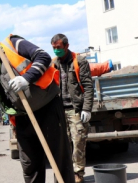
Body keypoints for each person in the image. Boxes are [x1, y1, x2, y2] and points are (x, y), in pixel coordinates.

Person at [0, 35, 75, 183]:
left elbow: (43, 56)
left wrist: (27, 78)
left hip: (47, 108)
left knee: (59, 158)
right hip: (22, 117)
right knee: (30, 164)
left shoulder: (11, 45)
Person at [51, 33, 94, 183]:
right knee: (63, 146)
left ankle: (78, 175)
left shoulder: (79, 61)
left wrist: (87, 109)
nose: (56, 51)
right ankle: (64, 175)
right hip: (60, 111)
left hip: (75, 110)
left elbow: (88, 86)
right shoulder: (54, 63)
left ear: (66, 46)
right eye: (54, 48)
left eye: (58, 48)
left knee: (78, 144)